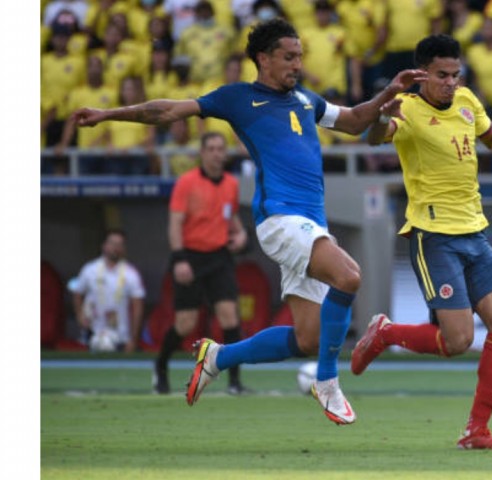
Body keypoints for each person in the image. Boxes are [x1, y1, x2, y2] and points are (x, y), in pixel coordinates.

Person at [67, 17, 426, 425]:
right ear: (263, 59)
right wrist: (108, 114)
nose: (296, 65)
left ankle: (218, 356)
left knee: (308, 339)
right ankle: (327, 382)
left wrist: (386, 94)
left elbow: (357, 121)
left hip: (311, 226)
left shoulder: (308, 101)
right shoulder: (238, 98)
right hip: (281, 219)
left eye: (300, 57)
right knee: (349, 276)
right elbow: (167, 110)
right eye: (288, 57)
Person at [357, 34, 492, 449]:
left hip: (474, 232)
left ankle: (476, 432)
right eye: (442, 75)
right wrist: (381, 116)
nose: (450, 82)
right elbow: (376, 138)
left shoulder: (467, 101)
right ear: (421, 75)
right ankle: (386, 333)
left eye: (455, 74)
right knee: (458, 342)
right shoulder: (407, 109)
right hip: (433, 237)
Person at [153, 131, 248, 395]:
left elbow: (231, 219)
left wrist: (241, 235)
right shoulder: (186, 183)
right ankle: (160, 367)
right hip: (190, 257)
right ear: (202, 153)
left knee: (230, 317)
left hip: (220, 257)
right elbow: (175, 225)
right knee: (185, 323)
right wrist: (179, 259)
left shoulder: (231, 183)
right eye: (212, 149)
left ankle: (235, 382)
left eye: (221, 148)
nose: (218, 153)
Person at [69, 229, 146, 353]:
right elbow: (77, 293)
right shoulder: (90, 269)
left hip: (121, 336)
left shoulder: (131, 274)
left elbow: (138, 307)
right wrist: (79, 315)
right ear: (104, 245)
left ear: (124, 248)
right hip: (93, 334)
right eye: (112, 243)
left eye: (119, 244)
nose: (115, 247)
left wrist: (134, 339)